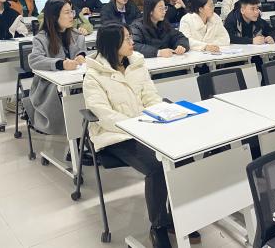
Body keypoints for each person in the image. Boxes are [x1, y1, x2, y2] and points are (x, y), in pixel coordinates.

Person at [83, 24, 200, 248]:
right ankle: (158, 226)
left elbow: (151, 96)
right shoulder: (94, 75)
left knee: (183, 156)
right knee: (157, 167)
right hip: (116, 135)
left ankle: (176, 214)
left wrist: (160, 114)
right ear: (112, 45)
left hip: (146, 126)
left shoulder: (137, 63)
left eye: (130, 37)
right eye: (127, 39)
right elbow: (104, 115)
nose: (132, 42)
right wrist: (136, 126)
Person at [27, 0, 87, 134]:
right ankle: (76, 131)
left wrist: (81, 55)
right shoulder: (41, 38)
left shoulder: (75, 34)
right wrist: (61, 64)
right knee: (72, 97)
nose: (72, 16)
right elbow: (34, 60)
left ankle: (83, 130)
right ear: (54, 17)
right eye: (67, 13)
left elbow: (80, 50)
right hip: (50, 85)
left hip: (73, 80)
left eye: (72, 12)